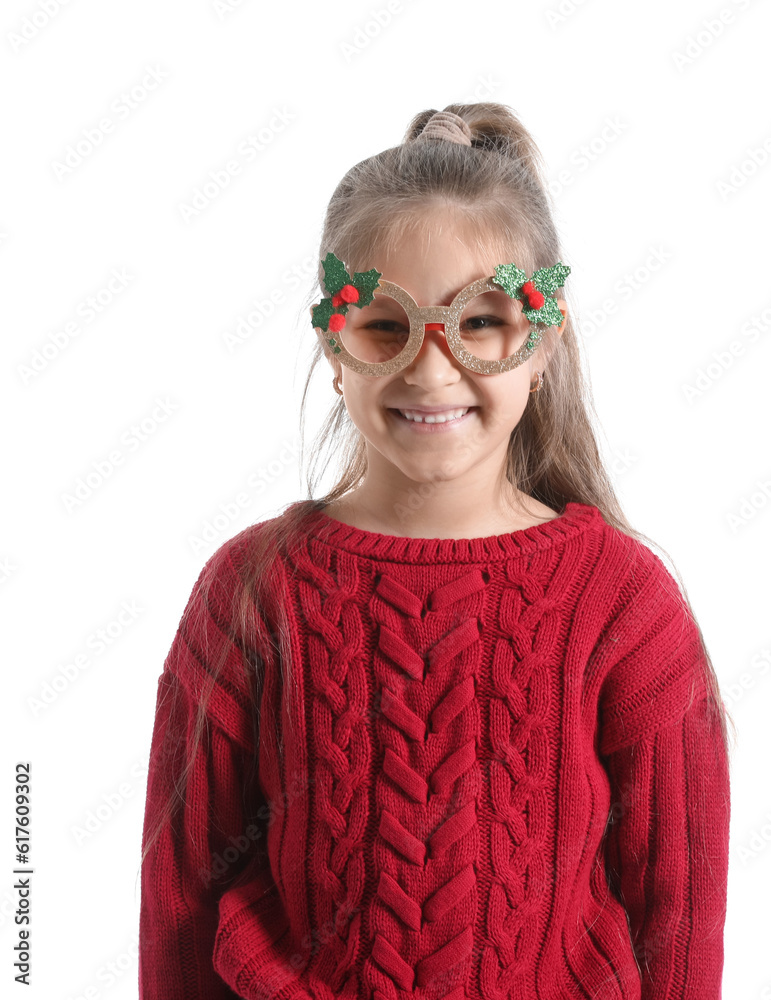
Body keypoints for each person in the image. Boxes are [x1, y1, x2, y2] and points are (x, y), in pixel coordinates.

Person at [138, 103, 734, 1000]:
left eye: (481, 323)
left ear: (543, 342)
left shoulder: (621, 599)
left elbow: (677, 914)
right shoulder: (251, 590)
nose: (430, 367)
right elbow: (180, 891)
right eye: (386, 326)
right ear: (333, 344)